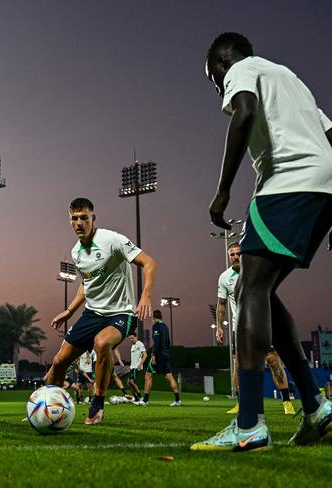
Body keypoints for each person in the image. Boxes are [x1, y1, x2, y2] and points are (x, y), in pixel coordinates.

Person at [193, 32, 332, 452]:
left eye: (212, 77)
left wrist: (222, 192)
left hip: (286, 185)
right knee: (263, 292)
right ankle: (315, 407)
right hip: (323, 187)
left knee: (247, 287)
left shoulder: (243, 69)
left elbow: (245, 111)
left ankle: (250, 423)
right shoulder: (290, 78)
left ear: (221, 61)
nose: (217, 85)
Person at [45, 197, 157, 425]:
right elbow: (86, 285)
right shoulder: (76, 252)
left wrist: (145, 295)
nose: (79, 223)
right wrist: (69, 311)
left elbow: (149, 263)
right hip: (92, 313)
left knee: (102, 343)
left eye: (84, 218)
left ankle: (97, 404)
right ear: (70, 221)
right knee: (58, 362)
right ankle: (43, 406)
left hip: (121, 313)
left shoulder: (112, 240)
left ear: (93, 218)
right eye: (74, 219)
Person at [216, 242, 296, 415]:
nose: (235, 257)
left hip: (262, 324)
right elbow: (221, 304)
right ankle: (240, 402)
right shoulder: (224, 277)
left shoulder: (255, 272)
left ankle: (287, 402)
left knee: (273, 361)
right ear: (229, 256)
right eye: (232, 254)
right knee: (238, 365)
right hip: (240, 328)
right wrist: (219, 327)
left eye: (238, 253)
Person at [138, 310, 180, 406]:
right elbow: (168, 342)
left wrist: (154, 355)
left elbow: (156, 342)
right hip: (165, 353)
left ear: (154, 317)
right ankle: (177, 400)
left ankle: (145, 400)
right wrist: (166, 352)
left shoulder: (156, 326)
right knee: (170, 377)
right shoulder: (165, 326)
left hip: (159, 355)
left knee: (148, 376)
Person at [127, 332, 146, 401]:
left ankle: (140, 397)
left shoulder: (139, 344)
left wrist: (140, 364)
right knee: (129, 383)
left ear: (136, 337)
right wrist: (130, 366)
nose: (131, 340)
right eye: (130, 339)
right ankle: (136, 398)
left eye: (132, 338)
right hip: (132, 367)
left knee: (130, 382)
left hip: (136, 367)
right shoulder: (133, 345)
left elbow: (145, 355)